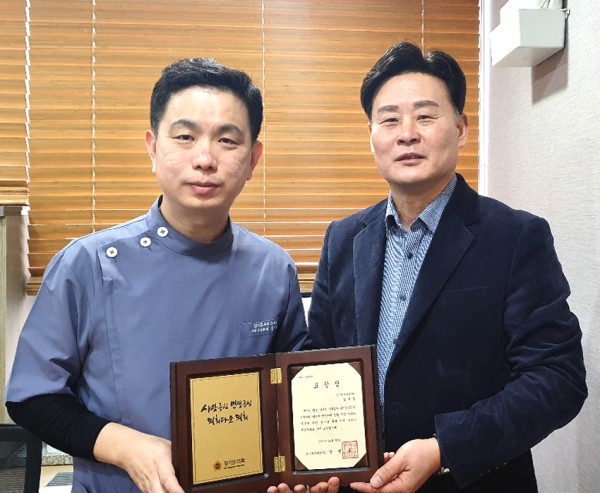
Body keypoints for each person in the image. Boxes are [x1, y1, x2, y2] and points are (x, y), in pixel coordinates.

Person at [272, 42, 587, 493]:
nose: (407, 134)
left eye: (425, 116)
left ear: (460, 128)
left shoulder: (516, 236)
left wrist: (445, 449)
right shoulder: (342, 238)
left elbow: (557, 378)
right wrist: (311, 464)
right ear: (371, 134)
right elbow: (318, 362)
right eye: (389, 119)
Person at [5, 58, 309, 493]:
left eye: (227, 140)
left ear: (252, 159)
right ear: (152, 147)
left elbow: (292, 396)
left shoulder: (273, 268)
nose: (204, 159)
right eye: (185, 137)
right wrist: (129, 449)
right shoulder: (87, 264)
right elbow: (33, 398)